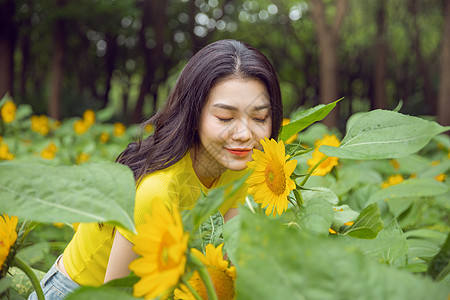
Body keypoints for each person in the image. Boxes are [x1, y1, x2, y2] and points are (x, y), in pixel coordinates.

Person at [28, 39, 283, 299]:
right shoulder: (157, 189)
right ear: (194, 115)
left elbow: (229, 255)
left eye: (259, 118)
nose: (244, 134)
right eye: (225, 118)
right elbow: (117, 294)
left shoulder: (240, 167)